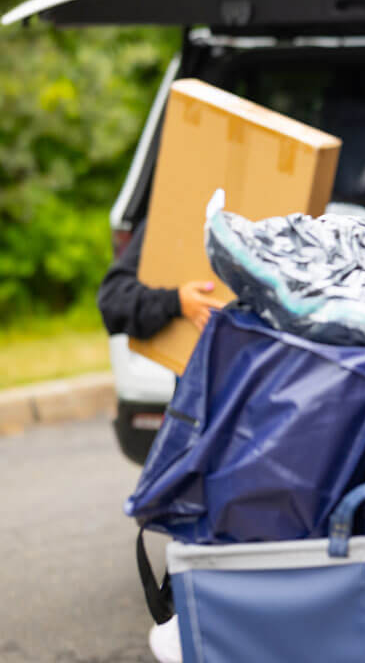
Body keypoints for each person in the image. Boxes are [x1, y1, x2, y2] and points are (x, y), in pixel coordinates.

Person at [96, 219, 224, 663]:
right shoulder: (179, 214)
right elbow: (114, 300)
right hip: (202, 447)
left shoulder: (298, 212)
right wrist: (177, 301)